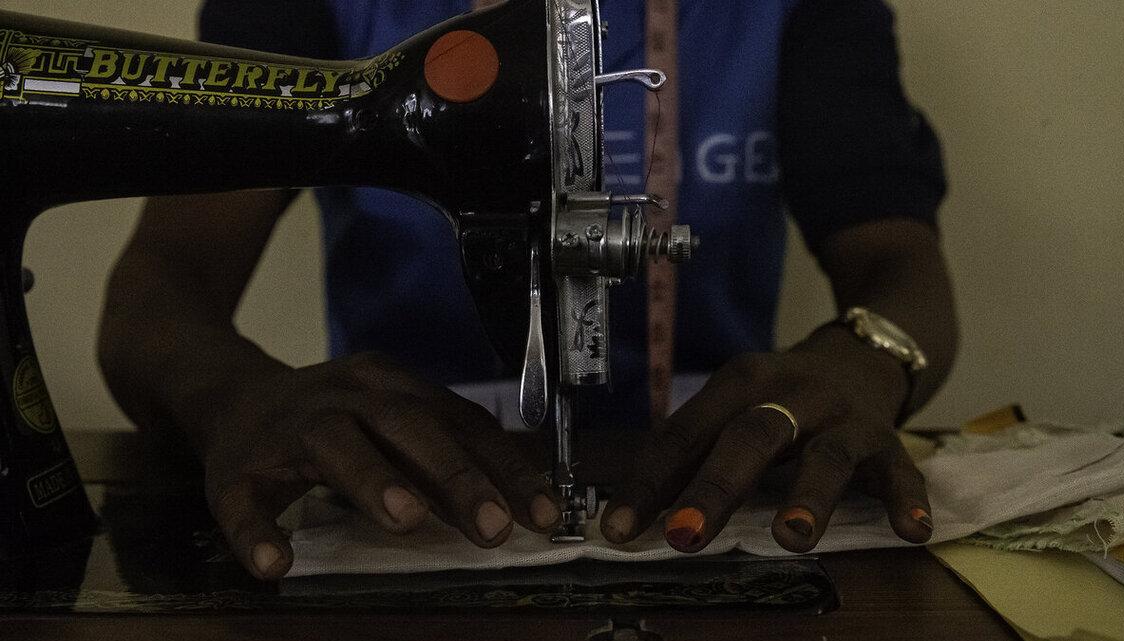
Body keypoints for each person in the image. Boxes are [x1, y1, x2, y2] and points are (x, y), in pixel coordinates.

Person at [98, 0, 958, 580]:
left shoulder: (796, 10)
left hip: (720, 483)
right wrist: (237, 395)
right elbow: (162, 287)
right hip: (396, 499)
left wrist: (867, 356)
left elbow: (901, 266)